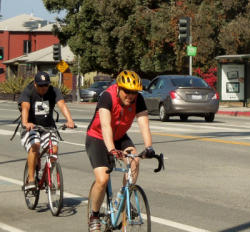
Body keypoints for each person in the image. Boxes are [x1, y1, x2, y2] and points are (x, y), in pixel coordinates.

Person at [86, 70, 154, 232]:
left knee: (134, 161)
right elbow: (105, 126)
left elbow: (144, 124)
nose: (130, 96)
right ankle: (94, 215)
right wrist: (111, 149)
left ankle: (122, 200)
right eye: (127, 91)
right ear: (118, 88)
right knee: (102, 179)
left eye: (134, 92)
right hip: (98, 137)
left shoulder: (138, 100)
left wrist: (149, 147)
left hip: (120, 136)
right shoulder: (107, 97)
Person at [19, 72, 76, 191]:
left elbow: (62, 105)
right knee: (35, 145)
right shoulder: (28, 91)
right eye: (40, 85)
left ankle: (46, 176)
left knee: (54, 150)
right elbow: (25, 107)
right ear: (35, 84)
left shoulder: (54, 91)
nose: (43, 88)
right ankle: (31, 180)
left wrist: (69, 120)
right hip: (31, 127)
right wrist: (25, 123)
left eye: (46, 85)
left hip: (48, 127)